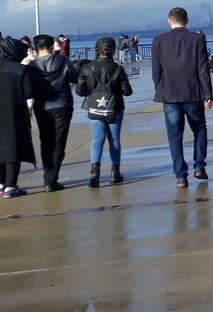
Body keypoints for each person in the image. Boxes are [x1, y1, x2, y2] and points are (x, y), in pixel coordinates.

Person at [151, 7, 213, 189]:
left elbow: (156, 71)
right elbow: (203, 69)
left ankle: (180, 176)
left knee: (174, 135)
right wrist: (207, 94)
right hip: (193, 92)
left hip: (169, 94)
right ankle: (199, 166)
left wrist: (160, 88)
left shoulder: (159, 40)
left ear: (169, 21)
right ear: (187, 21)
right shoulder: (197, 38)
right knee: (199, 128)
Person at [75, 36, 133, 188]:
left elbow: (80, 92)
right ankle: (115, 173)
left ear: (97, 50)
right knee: (114, 140)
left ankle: (94, 173)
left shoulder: (87, 68)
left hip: (94, 108)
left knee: (97, 140)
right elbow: (127, 92)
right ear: (113, 50)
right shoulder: (118, 69)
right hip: (115, 108)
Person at [32, 34, 75, 191]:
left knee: (46, 142)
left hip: (42, 107)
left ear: (36, 48)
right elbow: (75, 77)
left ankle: (48, 176)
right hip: (62, 105)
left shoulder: (32, 66)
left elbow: (29, 89)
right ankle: (51, 179)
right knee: (59, 143)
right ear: (52, 46)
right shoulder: (63, 61)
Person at [0, 36, 41, 198]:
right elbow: (29, 93)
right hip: (13, 113)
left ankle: (1, 183)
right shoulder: (20, 70)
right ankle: (11, 186)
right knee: (13, 148)